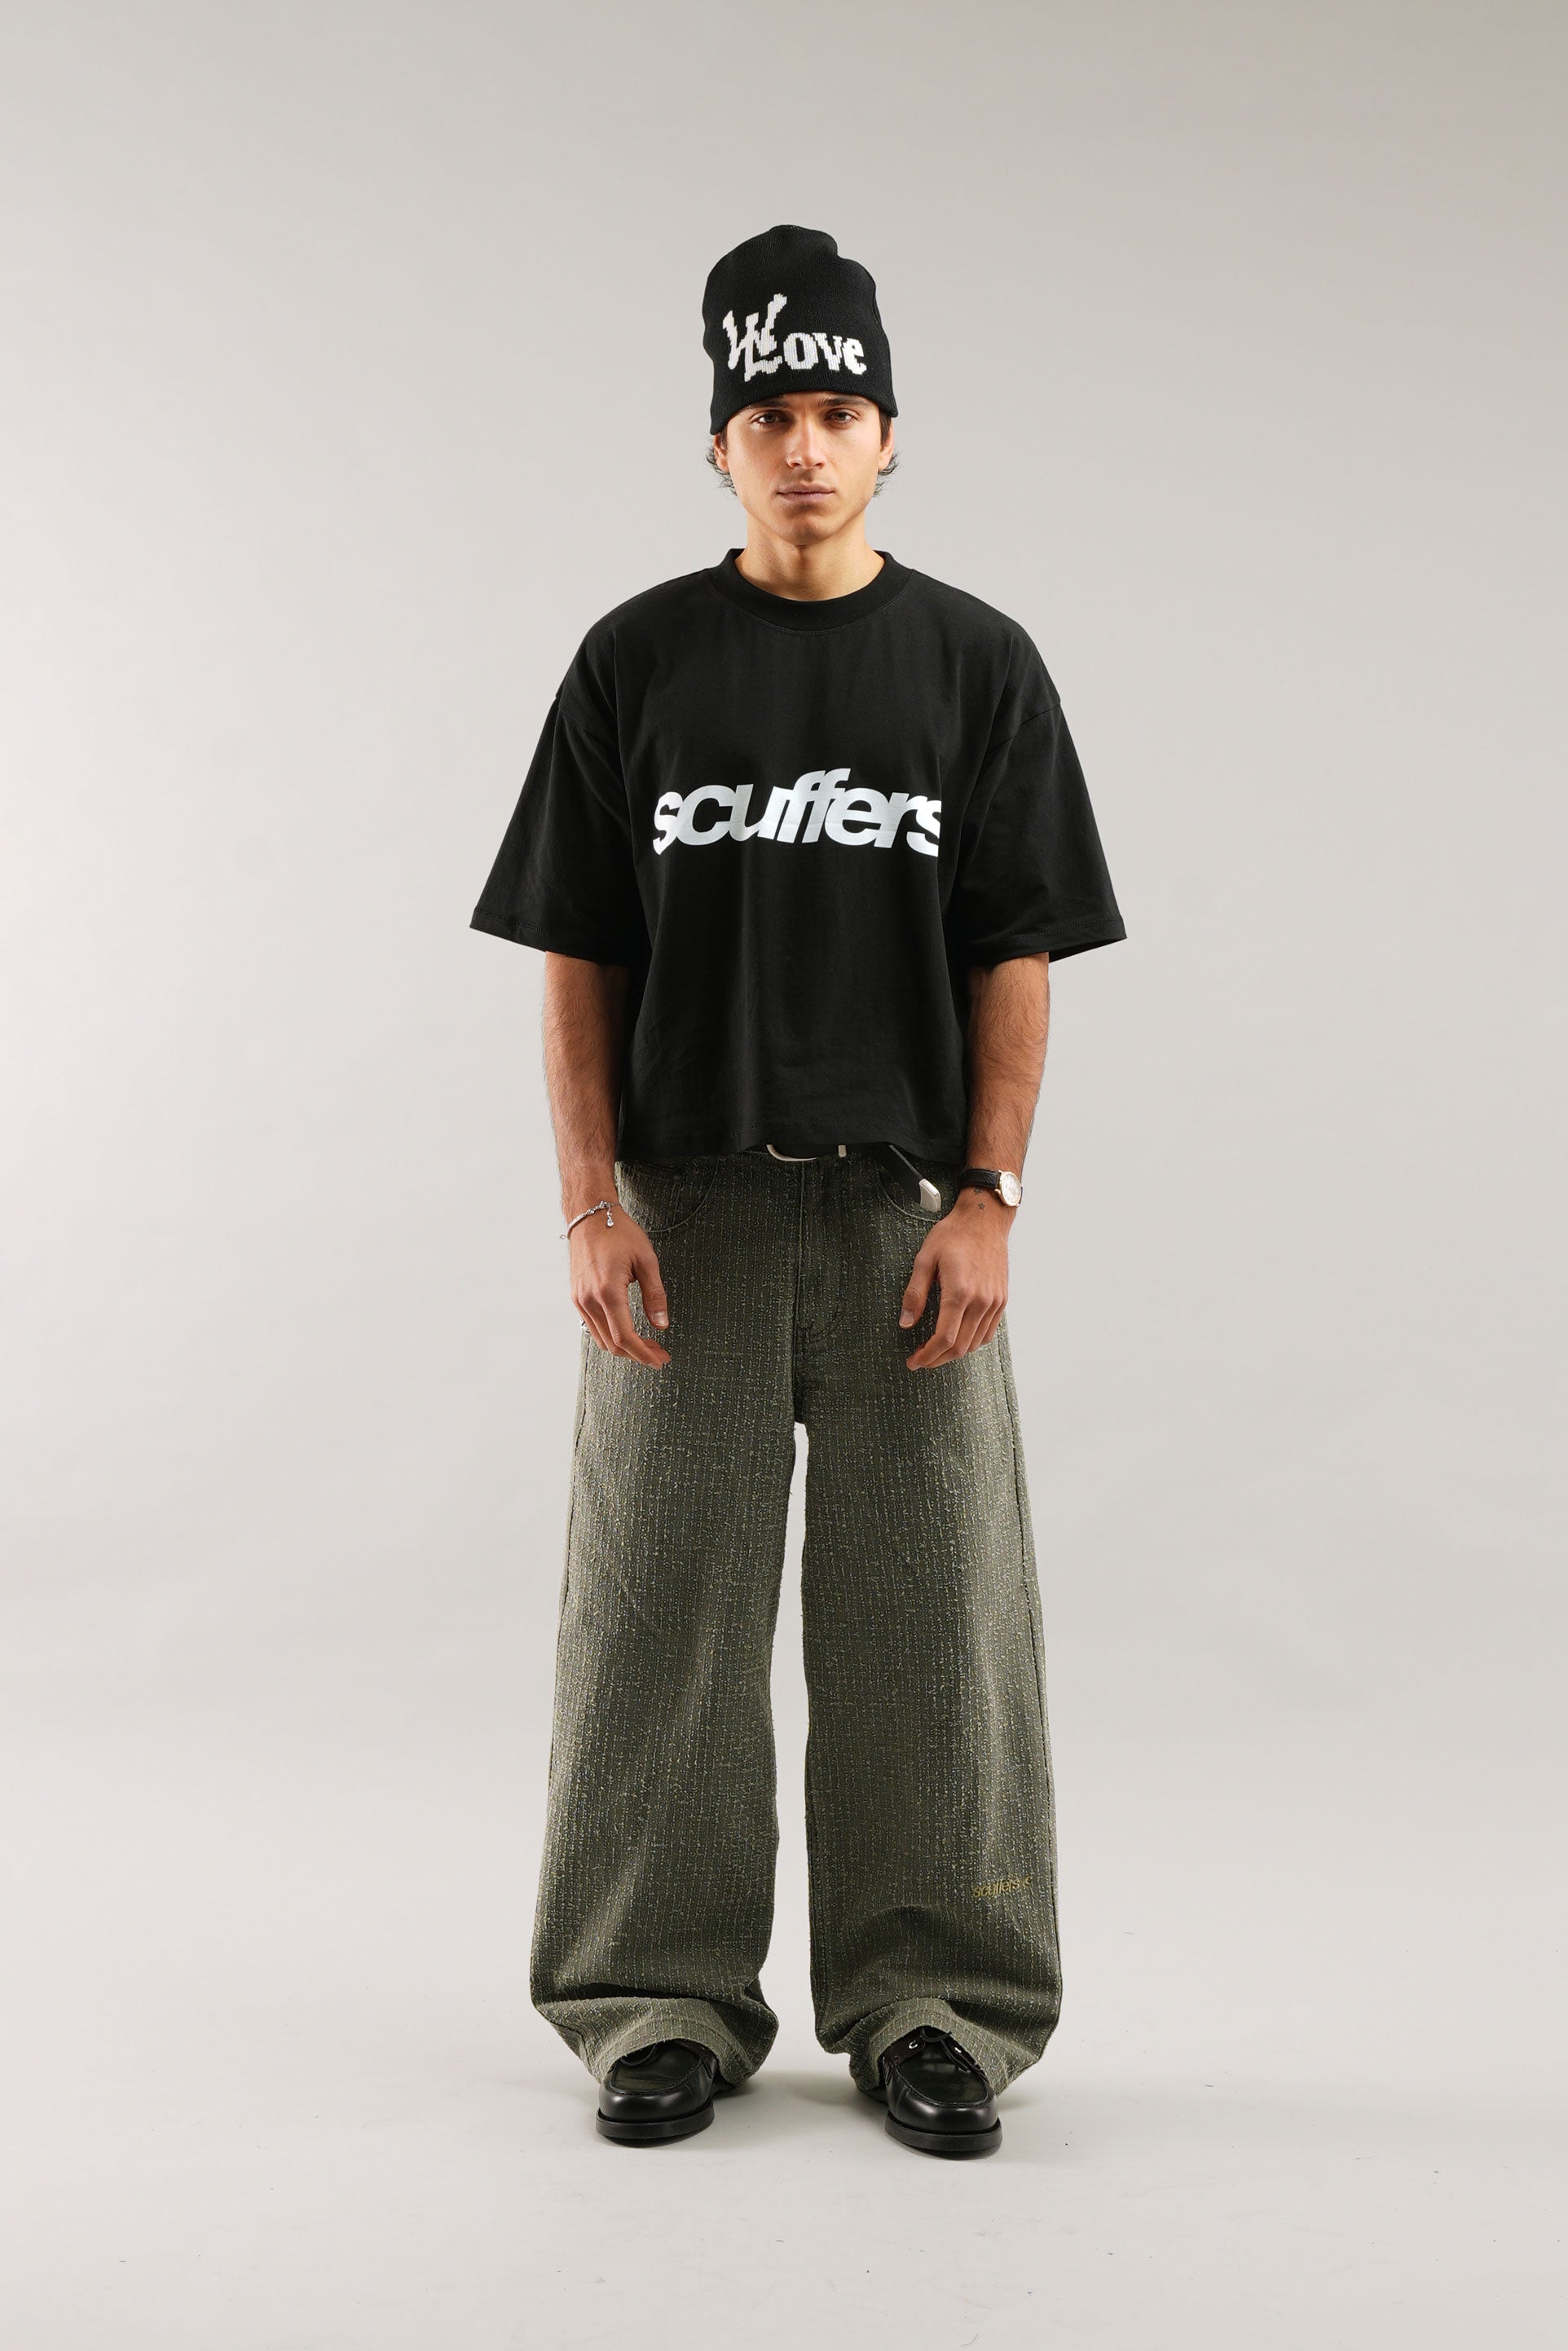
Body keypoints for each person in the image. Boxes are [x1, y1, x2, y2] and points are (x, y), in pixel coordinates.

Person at [470, 224, 1125, 2158]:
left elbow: (1014, 947)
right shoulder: (636, 663)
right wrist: (587, 1203)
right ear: (718, 443)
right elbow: (578, 950)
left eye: (837, 408)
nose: (805, 445)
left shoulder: (973, 665)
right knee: (655, 1615)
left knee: (931, 1615)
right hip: (680, 1214)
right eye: (767, 413)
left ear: (890, 433)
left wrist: (990, 1193)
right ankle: (652, 2001)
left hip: (901, 1212)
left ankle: (939, 2007)